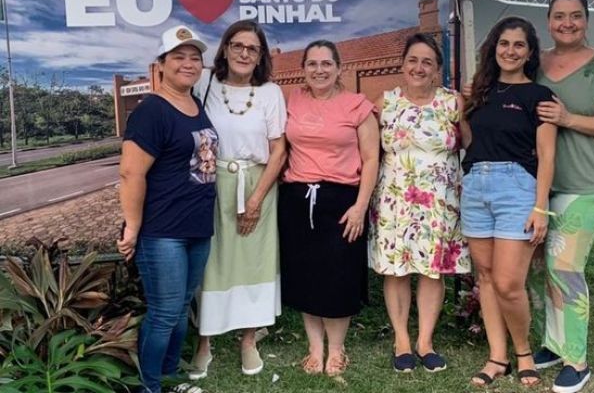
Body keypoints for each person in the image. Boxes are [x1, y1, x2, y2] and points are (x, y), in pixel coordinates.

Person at [529, 0, 594, 393]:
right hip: (544, 186)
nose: (566, 23)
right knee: (542, 269)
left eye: (575, 16)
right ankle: (554, 343)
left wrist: (568, 118)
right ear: (548, 21)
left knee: (566, 268)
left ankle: (578, 361)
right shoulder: (537, 62)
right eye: (559, 16)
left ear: (586, 20)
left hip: (589, 185)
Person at [117, 25, 216, 393]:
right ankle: (150, 387)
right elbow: (130, 173)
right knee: (163, 314)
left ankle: (171, 378)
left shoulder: (194, 103)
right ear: (162, 65)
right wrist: (132, 227)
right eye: (179, 57)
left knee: (179, 312)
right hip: (163, 232)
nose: (188, 64)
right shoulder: (151, 111)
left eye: (195, 58)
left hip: (196, 228)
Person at [459, 17, 557, 387]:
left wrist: (540, 206)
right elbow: (468, 141)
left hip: (517, 189)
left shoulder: (540, 97)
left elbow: (547, 157)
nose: (510, 51)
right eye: (504, 43)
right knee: (484, 278)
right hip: (475, 187)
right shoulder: (479, 93)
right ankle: (496, 357)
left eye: (519, 45)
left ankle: (523, 352)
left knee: (508, 283)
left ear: (530, 52)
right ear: (493, 48)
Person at [368, 33, 470, 373]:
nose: (419, 67)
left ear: (437, 68)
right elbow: (368, 151)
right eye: (413, 60)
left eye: (427, 61)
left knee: (432, 271)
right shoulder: (385, 103)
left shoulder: (453, 103)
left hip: (440, 203)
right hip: (395, 201)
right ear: (402, 65)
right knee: (396, 271)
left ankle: (425, 341)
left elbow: (469, 142)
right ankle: (401, 340)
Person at [190, 20, 287, 378]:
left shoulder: (270, 93)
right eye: (238, 45)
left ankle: (249, 340)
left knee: (253, 261)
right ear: (225, 49)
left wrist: (257, 200)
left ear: (260, 55)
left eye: (253, 48)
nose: (245, 53)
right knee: (212, 262)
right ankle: (205, 340)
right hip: (213, 184)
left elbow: (279, 151)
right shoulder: (205, 84)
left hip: (258, 182)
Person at [279, 40, 379, 376]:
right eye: (312, 64)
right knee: (306, 275)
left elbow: (371, 159)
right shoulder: (294, 100)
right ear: (303, 69)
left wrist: (360, 206)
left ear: (339, 68)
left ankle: (336, 350)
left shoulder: (357, 106)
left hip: (342, 201)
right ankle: (314, 347)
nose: (319, 70)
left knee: (338, 276)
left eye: (326, 64)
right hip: (297, 200)